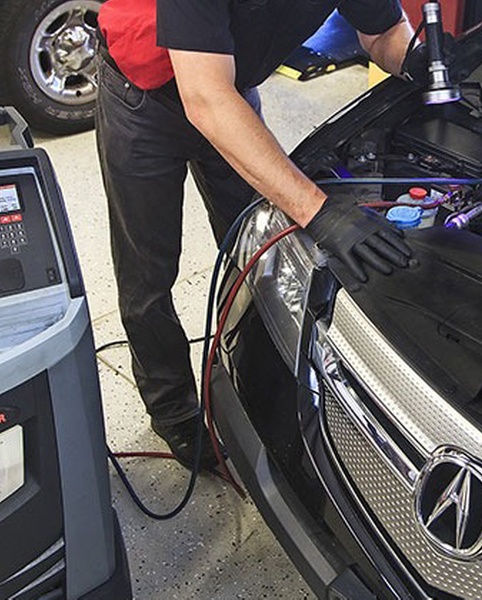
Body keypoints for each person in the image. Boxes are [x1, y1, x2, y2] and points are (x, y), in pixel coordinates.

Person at [95, 0, 415, 471]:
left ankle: (254, 379)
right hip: (145, 99)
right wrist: (320, 212)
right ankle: (173, 410)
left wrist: (427, 63)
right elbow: (206, 100)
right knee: (147, 275)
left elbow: (383, 32)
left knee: (261, 252)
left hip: (229, 85)